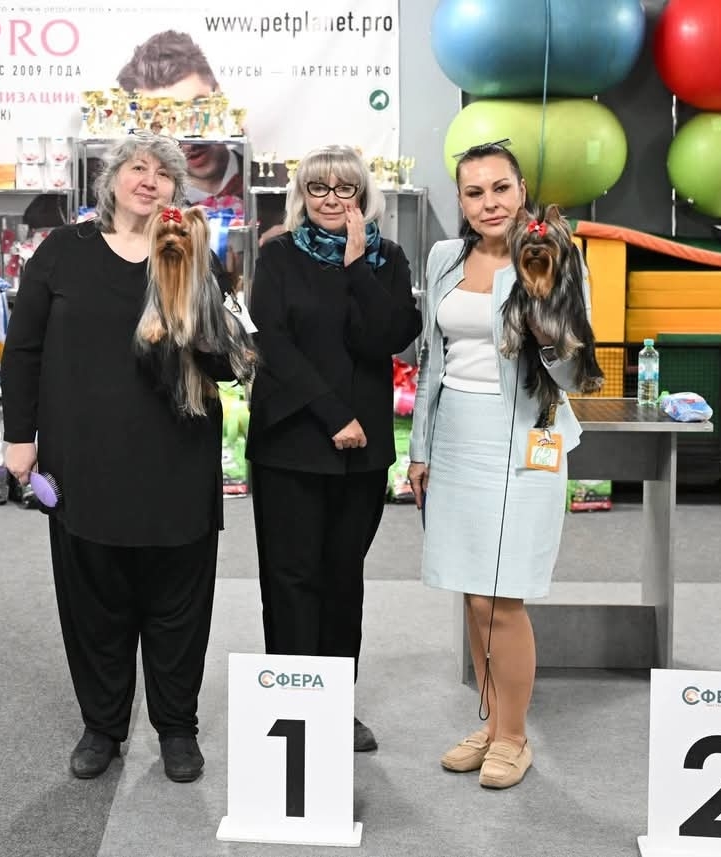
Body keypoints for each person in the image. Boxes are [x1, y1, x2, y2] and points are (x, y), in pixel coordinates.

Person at [1, 134, 235, 784]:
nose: (149, 180)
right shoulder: (63, 251)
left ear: (177, 191)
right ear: (111, 181)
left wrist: (197, 315)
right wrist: (19, 436)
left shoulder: (195, 253)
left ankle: (177, 728)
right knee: (93, 602)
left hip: (177, 460)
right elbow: (23, 349)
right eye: (137, 167)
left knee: (178, 605)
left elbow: (232, 362)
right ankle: (102, 725)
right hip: (84, 460)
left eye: (164, 173)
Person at [406, 141, 589, 790]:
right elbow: (432, 360)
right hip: (455, 437)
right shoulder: (443, 257)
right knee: (471, 590)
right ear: (460, 200)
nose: (490, 203)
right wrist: (420, 448)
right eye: (475, 192)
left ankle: (514, 737)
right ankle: (491, 724)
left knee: (501, 595)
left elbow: (576, 373)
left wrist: (549, 332)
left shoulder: (556, 254)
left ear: (522, 190)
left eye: (501, 188)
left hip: (523, 439)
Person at [246, 144, 421, 753]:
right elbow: (272, 343)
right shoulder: (278, 254)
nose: (330, 199)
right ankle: (294, 704)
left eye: (344, 188)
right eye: (317, 187)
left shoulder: (386, 259)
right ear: (302, 195)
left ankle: (336, 706)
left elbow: (389, 337)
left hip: (360, 452)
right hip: (291, 441)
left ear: (362, 196)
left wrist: (355, 268)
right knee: (290, 577)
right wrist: (333, 413)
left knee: (343, 578)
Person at [116, 30, 242, 214]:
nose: (189, 136)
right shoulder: (128, 204)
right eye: (165, 119)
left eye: (197, 107)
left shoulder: (276, 188)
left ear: (218, 95)